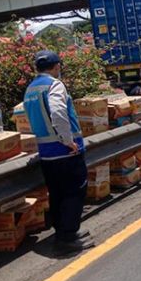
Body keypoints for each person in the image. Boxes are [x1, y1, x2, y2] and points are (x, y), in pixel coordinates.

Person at [24, 51, 95, 254]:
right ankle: (67, 238)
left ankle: (63, 232)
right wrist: (68, 141)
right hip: (65, 151)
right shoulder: (54, 85)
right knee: (74, 192)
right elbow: (57, 113)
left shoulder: (30, 89)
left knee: (57, 194)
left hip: (46, 153)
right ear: (56, 67)